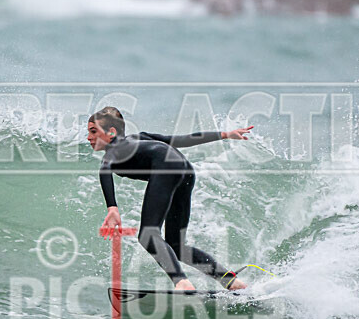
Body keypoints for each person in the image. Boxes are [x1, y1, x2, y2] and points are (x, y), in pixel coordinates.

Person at [87, 106, 253, 290]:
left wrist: (112, 208)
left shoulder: (113, 151)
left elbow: (105, 170)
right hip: (185, 170)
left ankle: (181, 283)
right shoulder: (140, 137)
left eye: (93, 131)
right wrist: (225, 134)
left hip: (166, 167)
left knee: (148, 235)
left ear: (111, 132)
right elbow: (180, 140)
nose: (89, 137)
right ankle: (230, 281)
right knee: (176, 245)